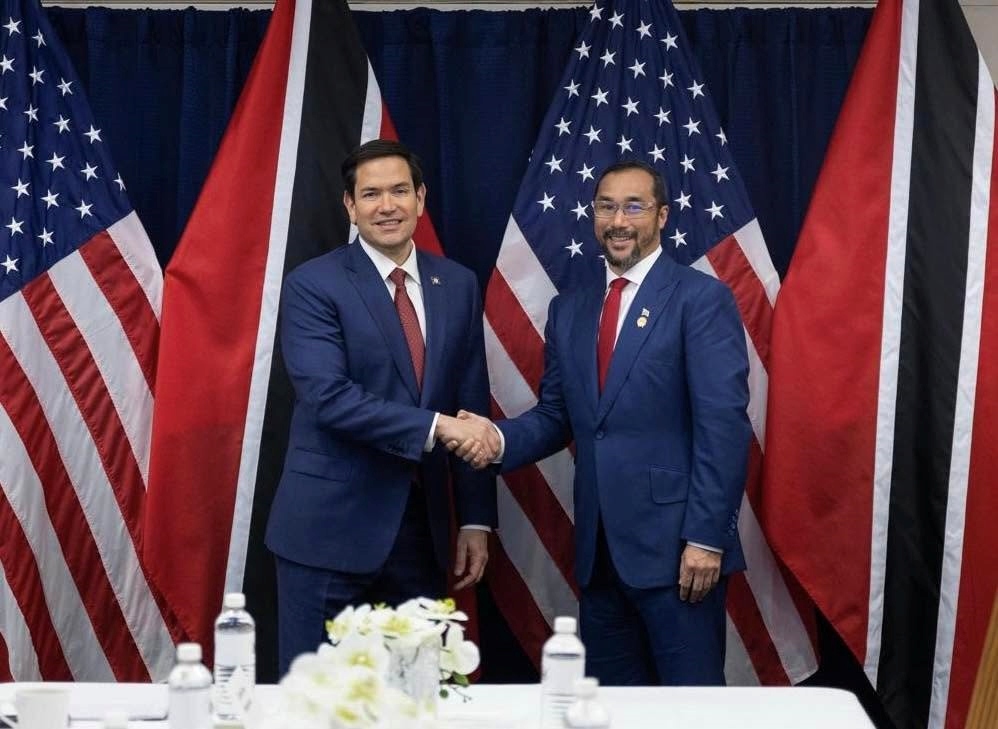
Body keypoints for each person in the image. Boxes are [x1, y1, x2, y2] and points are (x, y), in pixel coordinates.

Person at [454, 160, 750, 685]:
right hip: (599, 557)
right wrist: (495, 438)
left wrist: (707, 538)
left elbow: (723, 429)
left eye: (634, 207)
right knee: (607, 710)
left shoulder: (701, 299)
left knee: (692, 711)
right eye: (606, 207)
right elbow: (556, 416)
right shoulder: (569, 309)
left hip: (679, 553)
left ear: (662, 216)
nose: (618, 221)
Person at [266, 139, 498, 675]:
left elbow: (470, 402)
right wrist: (437, 426)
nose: (387, 206)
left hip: (421, 535)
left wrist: (476, 518)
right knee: (314, 698)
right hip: (326, 532)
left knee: (415, 694)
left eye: (399, 191)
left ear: (421, 199)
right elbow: (328, 397)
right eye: (371, 194)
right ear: (350, 206)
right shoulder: (312, 284)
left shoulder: (457, 284)